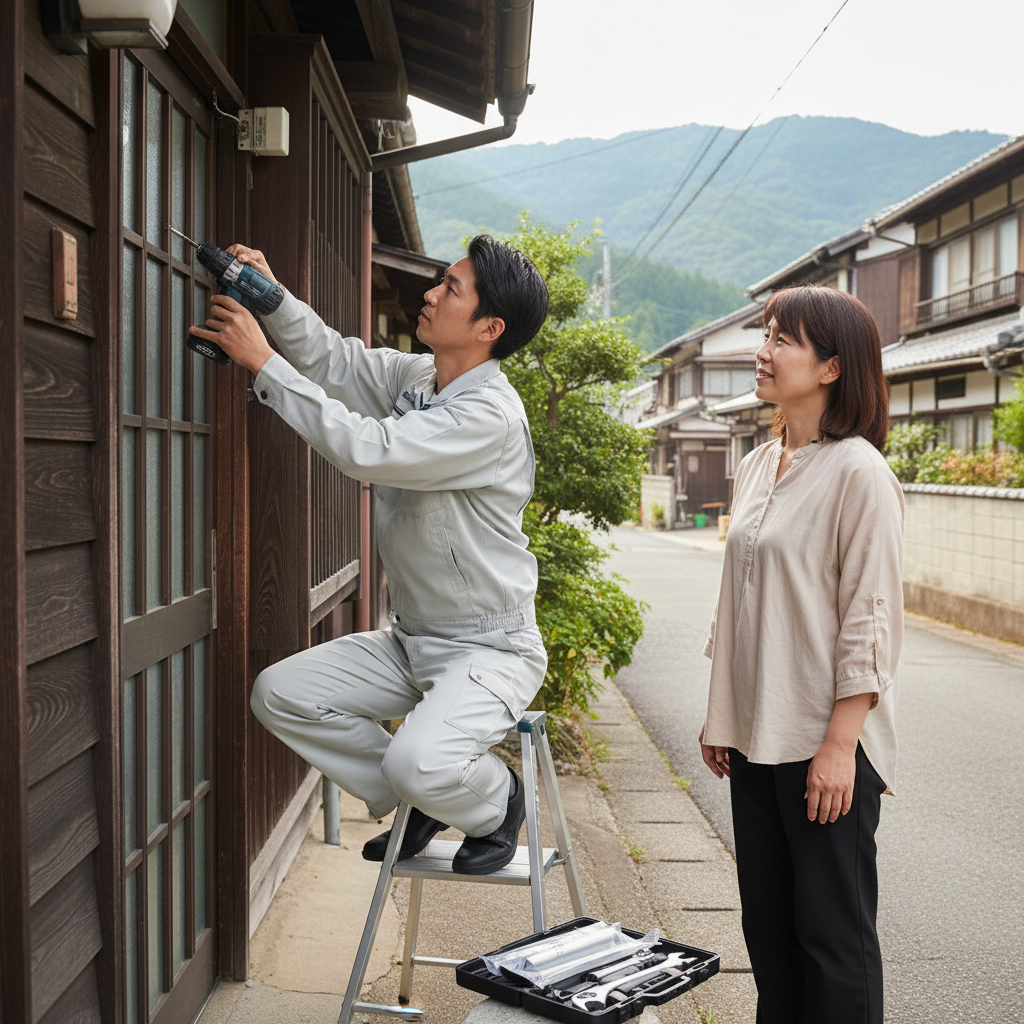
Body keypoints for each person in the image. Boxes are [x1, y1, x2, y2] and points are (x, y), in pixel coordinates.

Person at [190, 235, 550, 875]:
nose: (431, 293)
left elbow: (369, 450)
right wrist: (271, 299)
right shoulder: (421, 377)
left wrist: (262, 363)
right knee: (280, 693)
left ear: (490, 328)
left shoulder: (488, 417)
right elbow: (333, 357)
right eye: (440, 279)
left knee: (420, 760)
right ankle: (417, 801)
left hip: (489, 650)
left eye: (452, 289)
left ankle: (496, 803)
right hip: (413, 641)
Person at [697, 286, 903, 1024]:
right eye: (767, 333)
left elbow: (868, 620)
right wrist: (720, 715)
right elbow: (739, 608)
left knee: (833, 943)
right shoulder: (757, 464)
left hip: (825, 744)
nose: (763, 350)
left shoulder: (859, 473)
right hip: (757, 739)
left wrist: (841, 745)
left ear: (831, 368)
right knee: (772, 939)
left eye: (783, 339)